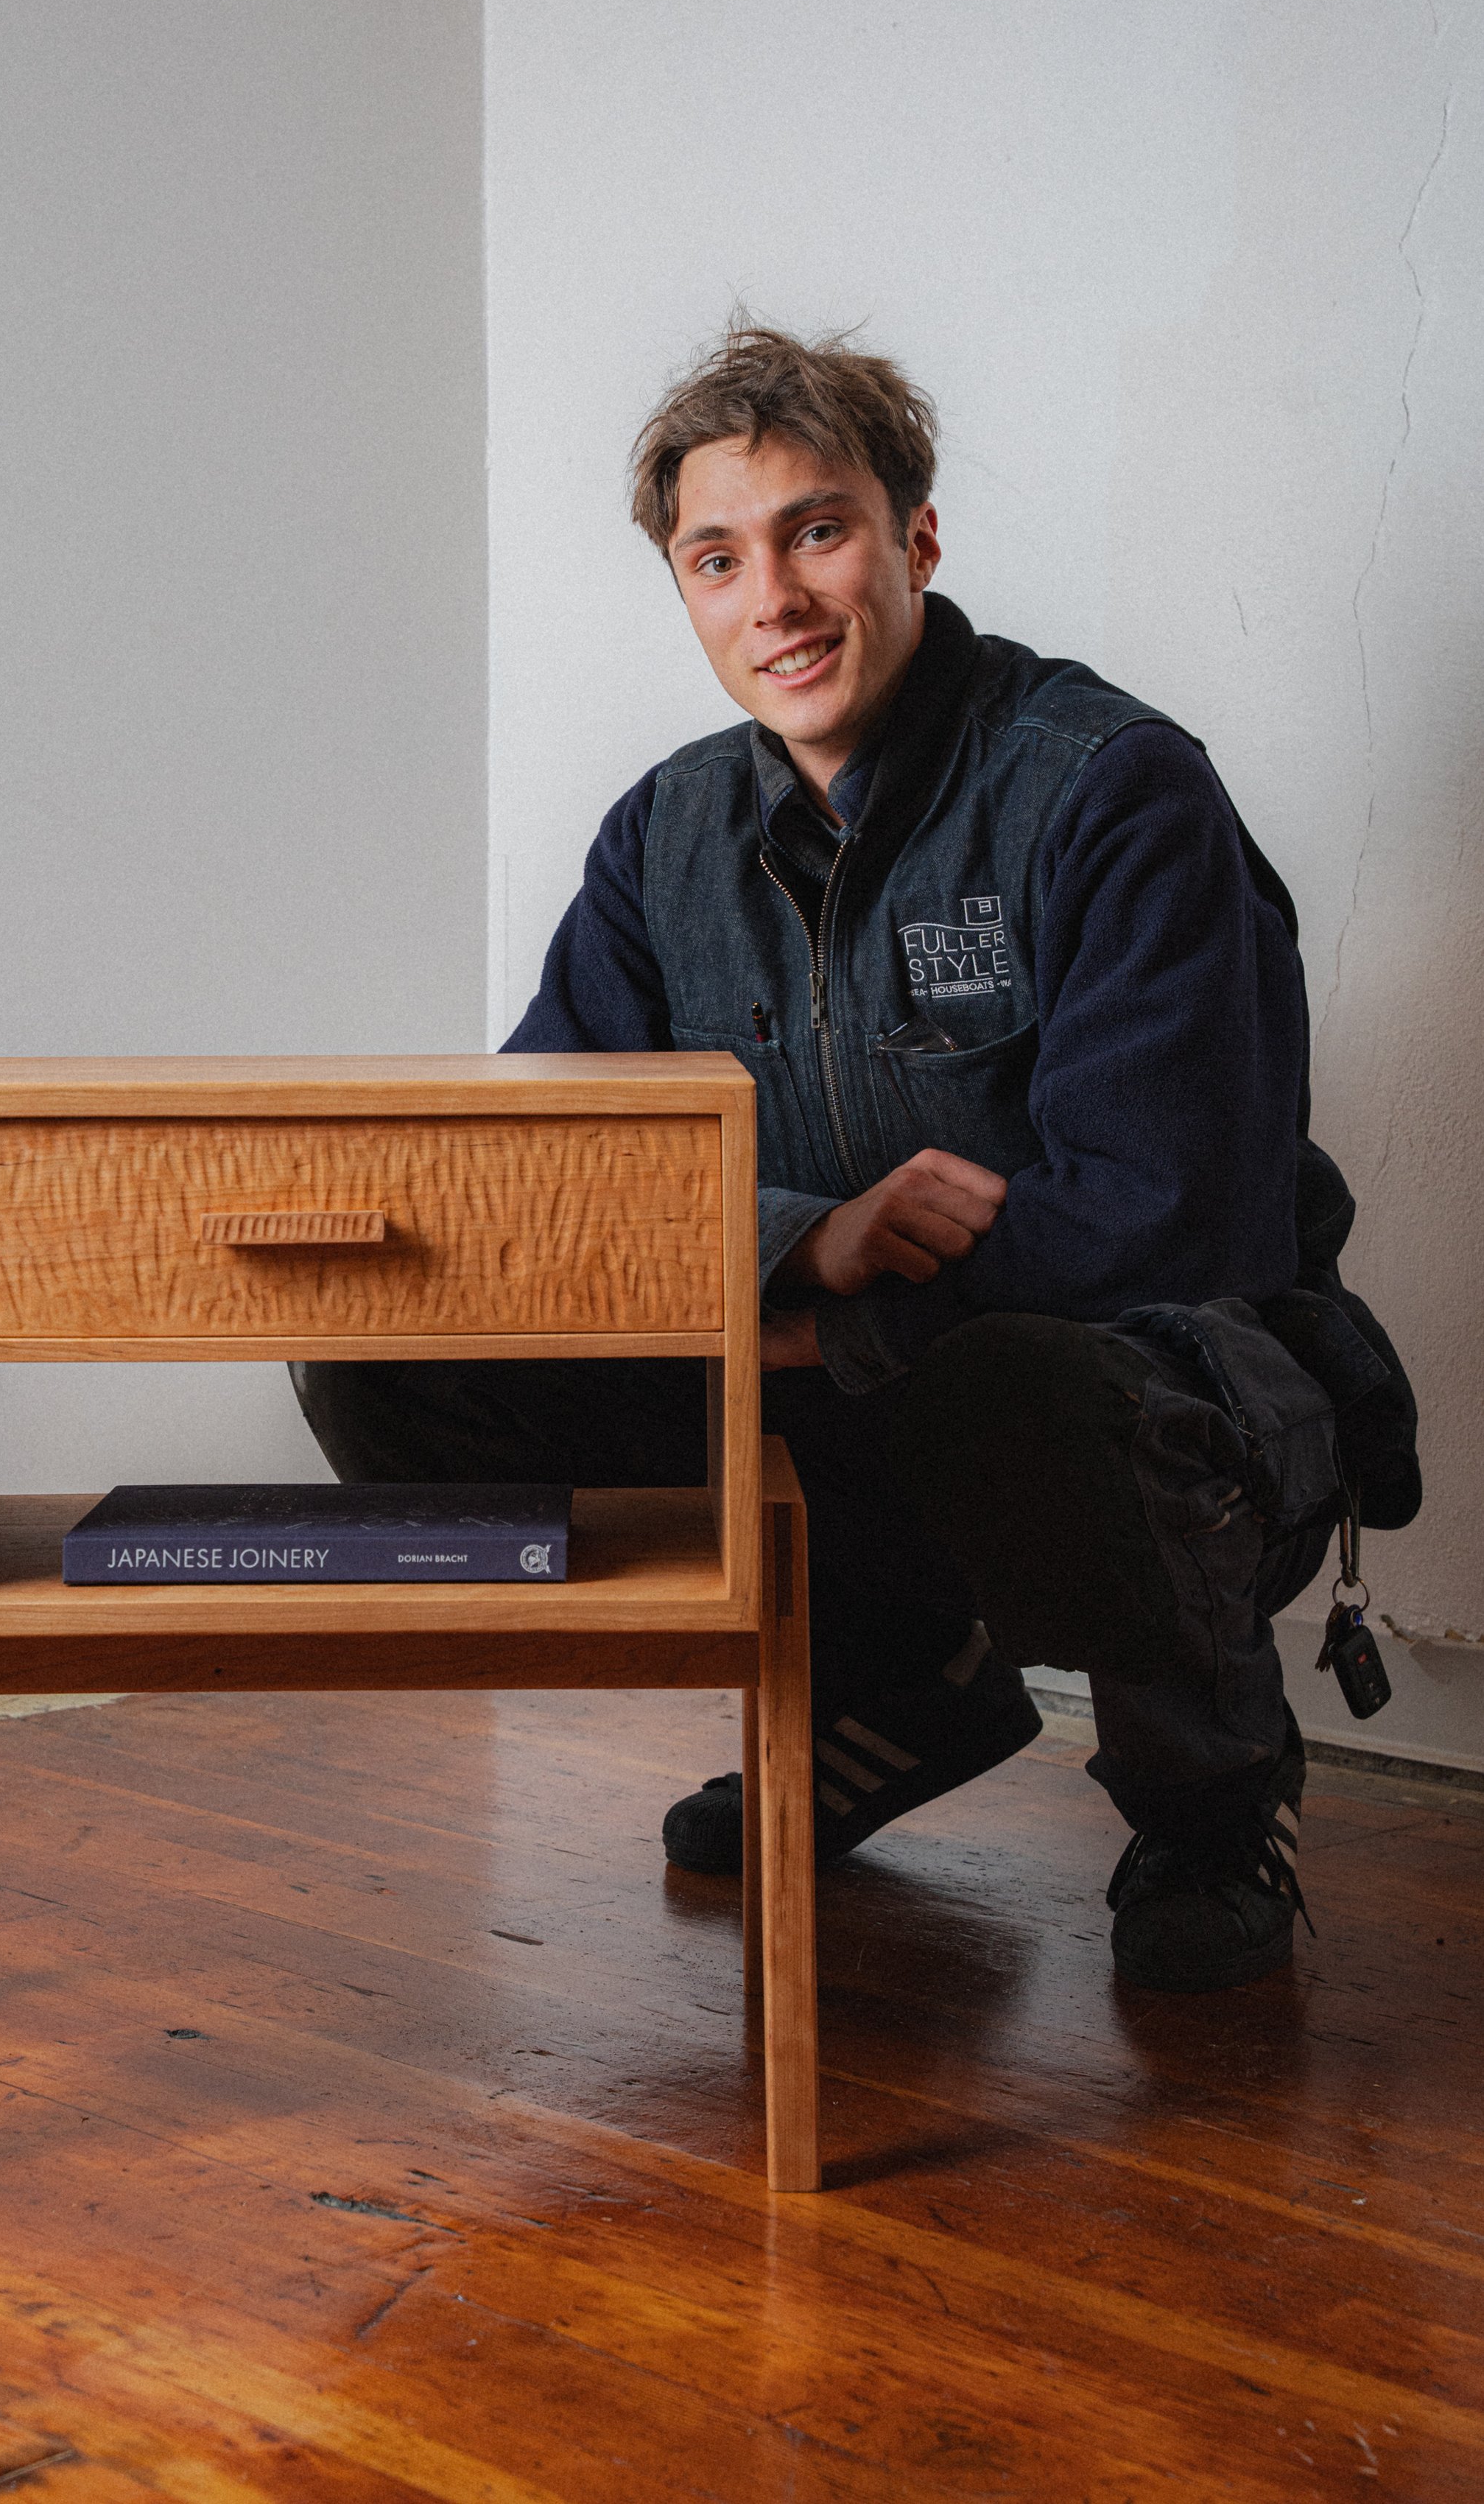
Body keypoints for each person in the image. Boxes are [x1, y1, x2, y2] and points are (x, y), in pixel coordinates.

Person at [295, 323, 1418, 1995]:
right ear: (683, 590)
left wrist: (823, 1325)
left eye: (817, 531)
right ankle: (896, 1687)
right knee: (392, 1358)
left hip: (1146, 1392)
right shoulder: (661, 837)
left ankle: (1209, 1793)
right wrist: (797, 1246)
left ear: (916, 538)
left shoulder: (1112, 791)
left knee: (1041, 1384)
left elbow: (1171, 1223)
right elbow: (549, 1171)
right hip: (835, 1363)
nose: (776, 599)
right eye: (717, 558)